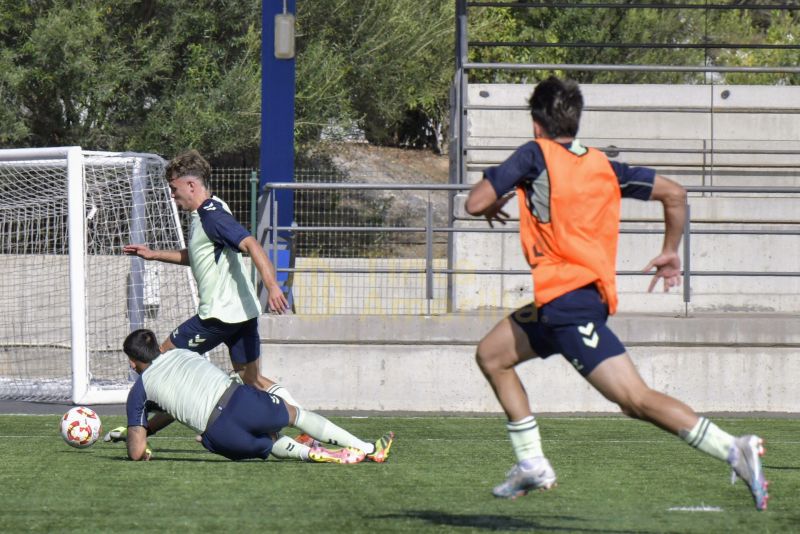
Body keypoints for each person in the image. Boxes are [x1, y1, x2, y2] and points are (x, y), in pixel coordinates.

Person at [464, 76, 768, 510]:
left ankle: (732, 449)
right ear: (576, 120)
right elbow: (675, 194)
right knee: (493, 355)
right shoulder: (603, 165)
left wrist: (497, 195)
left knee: (635, 400)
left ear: (536, 124)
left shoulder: (535, 154)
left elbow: (473, 203)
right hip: (565, 303)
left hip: (569, 305)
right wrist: (669, 251)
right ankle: (531, 462)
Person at [124, 149, 296, 404]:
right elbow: (197, 256)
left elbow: (251, 244)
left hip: (217, 316)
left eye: (174, 188)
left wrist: (272, 286)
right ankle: (302, 419)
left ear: (191, 185)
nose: (172, 195)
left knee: (160, 361)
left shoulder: (212, 216)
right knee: (252, 379)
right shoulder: (213, 209)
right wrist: (153, 255)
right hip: (242, 312)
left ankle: (139, 426)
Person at [116, 328, 394, 463]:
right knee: (295, 414)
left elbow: (137, 451)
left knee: (270, 441)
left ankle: (311, 455)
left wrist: (139, 436)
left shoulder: (139, 391)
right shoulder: (182, 352)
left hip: (219, 435)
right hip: (237, 400)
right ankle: (369, 449)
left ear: (132, 361)